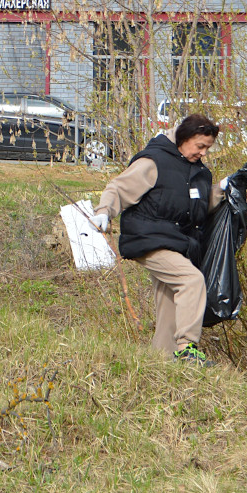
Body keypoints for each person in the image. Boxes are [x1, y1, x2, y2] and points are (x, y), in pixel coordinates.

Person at [89, 113, 226, 366]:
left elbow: (197, 208)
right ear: (184, 139)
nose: (204, 153)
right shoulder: (154, 161)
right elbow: (118, 188)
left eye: (208, 148)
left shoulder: (198, 172)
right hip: (149, 239)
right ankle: (187, 349)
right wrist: (103, 212)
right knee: (191, 280)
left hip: (175, 242)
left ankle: (161, 363)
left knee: (169, 301)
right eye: (201, 146)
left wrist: (223, 189)